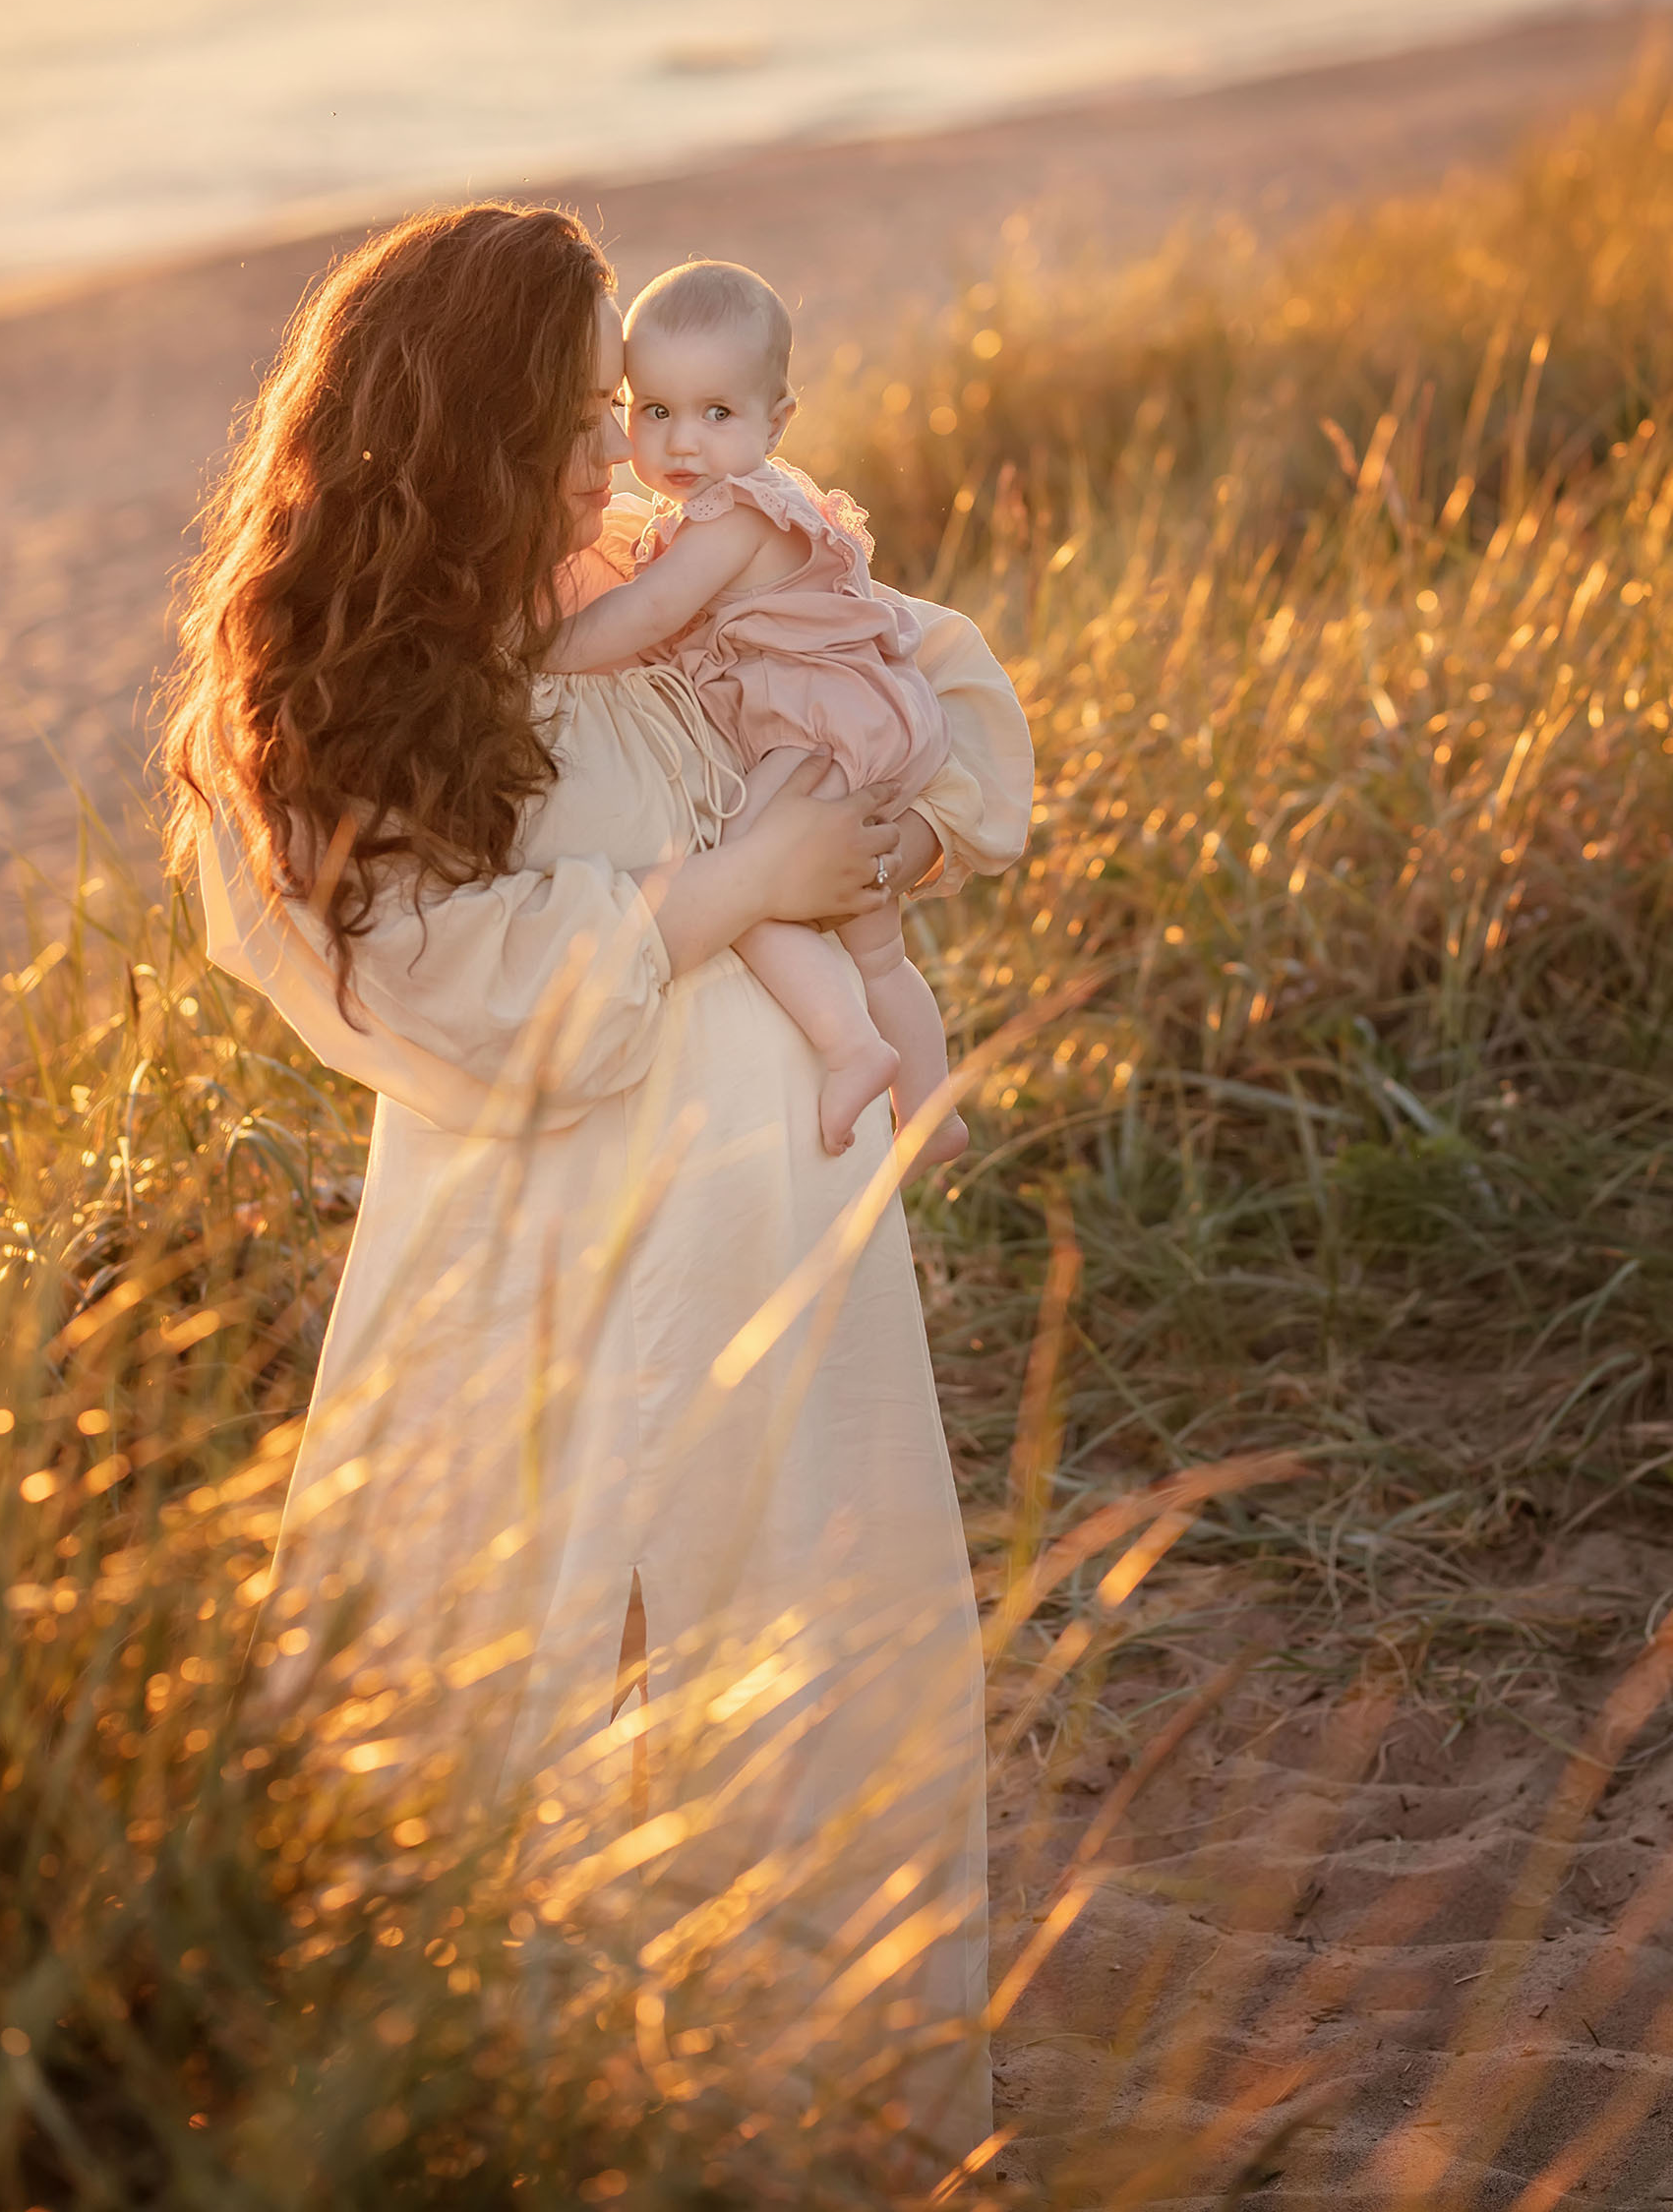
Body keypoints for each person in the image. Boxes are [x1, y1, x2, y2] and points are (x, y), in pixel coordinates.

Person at [162, 203, 1033, 2163]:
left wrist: (869, 854)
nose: (608, 457)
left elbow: (943, 715)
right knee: (506, 1682)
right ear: (457, 442)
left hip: (774, 1235)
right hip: (529, 1256)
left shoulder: (664, 587)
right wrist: (733, 888)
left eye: (613, 413)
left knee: (801, 1650)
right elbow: (424, 981)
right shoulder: (363, 694)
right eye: (569, 422)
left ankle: (821, 2126)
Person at [552, 258, 969, 1166]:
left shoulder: (737, 513)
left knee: (740, 863)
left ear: (776, 422)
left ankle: (851, 1047)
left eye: (717, 414)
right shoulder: (724, 506)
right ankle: (933, 1111)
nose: (681, 442)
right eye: (654, 410)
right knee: (877, 948)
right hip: (843, 719)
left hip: (818, 724)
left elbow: (650, 613)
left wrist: (537, 652)